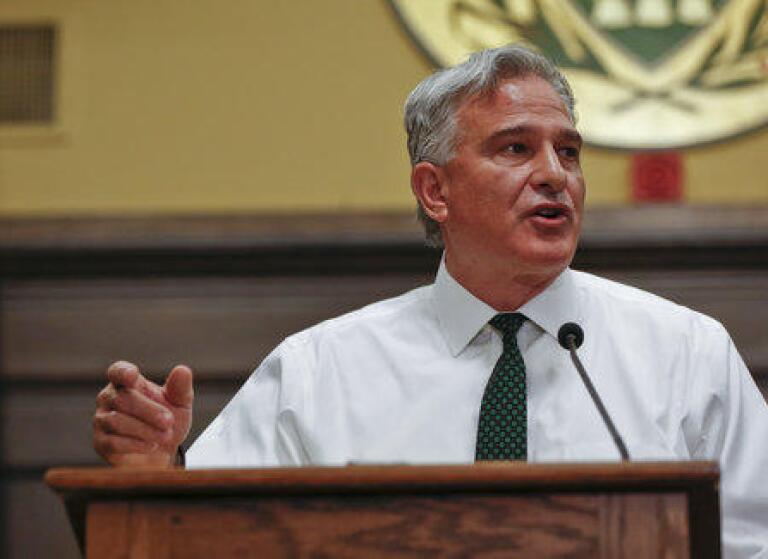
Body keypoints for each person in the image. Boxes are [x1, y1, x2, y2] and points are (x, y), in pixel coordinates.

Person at [91, 46, 768, 556]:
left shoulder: (686, 353)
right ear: (434, 191)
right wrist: (158, 473)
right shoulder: (320, 370)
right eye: (516, 148)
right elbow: (207, 537)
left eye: (568, 151)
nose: (555, 176)